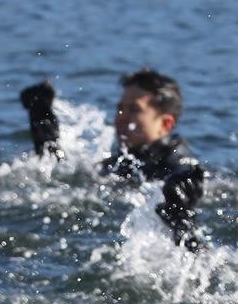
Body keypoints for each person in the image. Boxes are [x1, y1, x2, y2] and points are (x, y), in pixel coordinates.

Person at [17, 70, 205, 249]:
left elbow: (186, 180)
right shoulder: (124, 159)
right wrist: (41, 121)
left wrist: (180, 208)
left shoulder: (178, 164)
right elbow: (56, 173)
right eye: (120, 109)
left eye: (134, 110)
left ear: (165, 124)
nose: (120, 118)